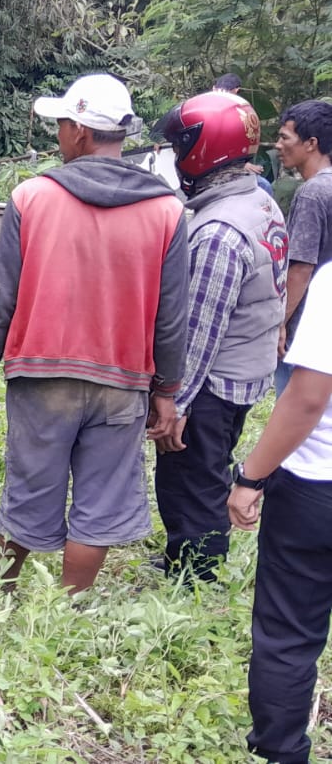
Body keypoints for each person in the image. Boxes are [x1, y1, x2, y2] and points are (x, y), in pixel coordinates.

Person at [0, 73, 189, 594]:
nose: (60, 134)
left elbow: (2, 294)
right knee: (101, 499)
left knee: (29, 487)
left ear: (83, 133)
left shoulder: (31, 198)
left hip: (42, 375)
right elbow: (172, 315)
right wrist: (167, 392)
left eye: (64, 124)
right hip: (123, 381)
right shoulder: (167, 211)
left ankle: (0, 594)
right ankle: (69, 612)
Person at [151, 91, 286, 582]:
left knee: (191, 478)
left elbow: (200, 329)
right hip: (247, 370)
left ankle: (196, 574)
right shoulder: (259, 201)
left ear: (202, 149)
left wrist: (174, 403)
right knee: (207, 469)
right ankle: (182, 557)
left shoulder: (218, 231)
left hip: (213, 381)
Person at [228, 265, 332, 764]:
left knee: (288, 635)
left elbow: (309, 396)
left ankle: (282, 753)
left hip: (317, 488)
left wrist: (251, 477)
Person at [275, 100, 332, 398]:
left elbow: (301, 268)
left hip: (306, 332)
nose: (278, 144)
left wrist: (279, 324)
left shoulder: (312, 194)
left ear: (311, 143)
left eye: (285, 137)